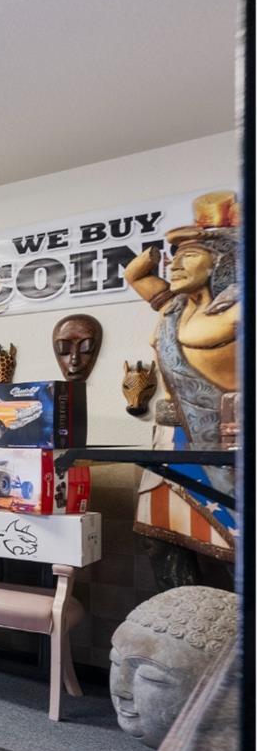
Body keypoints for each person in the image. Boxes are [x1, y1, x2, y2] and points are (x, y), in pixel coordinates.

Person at [124, 191, 239, 565]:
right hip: (175, 439)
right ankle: (177, 617)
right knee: (160, 541)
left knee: (233, 547)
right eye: (174, 255)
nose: (174, 265)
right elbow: (136, 275)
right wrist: (155, 256)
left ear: (223, 261)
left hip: (230, 444)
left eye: (189, 255)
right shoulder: (174, 306)